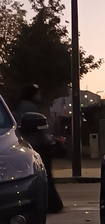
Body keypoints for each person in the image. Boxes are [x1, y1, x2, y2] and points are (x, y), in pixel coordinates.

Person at [13, 84, 64, 214]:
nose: (39, 96)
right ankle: (51, 204)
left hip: (33, 145)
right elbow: (38, 129)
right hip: (37, 146)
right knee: (44, 175)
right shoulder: (29, 107)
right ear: (33, 94)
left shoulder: (22, 106)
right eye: (37, 93)